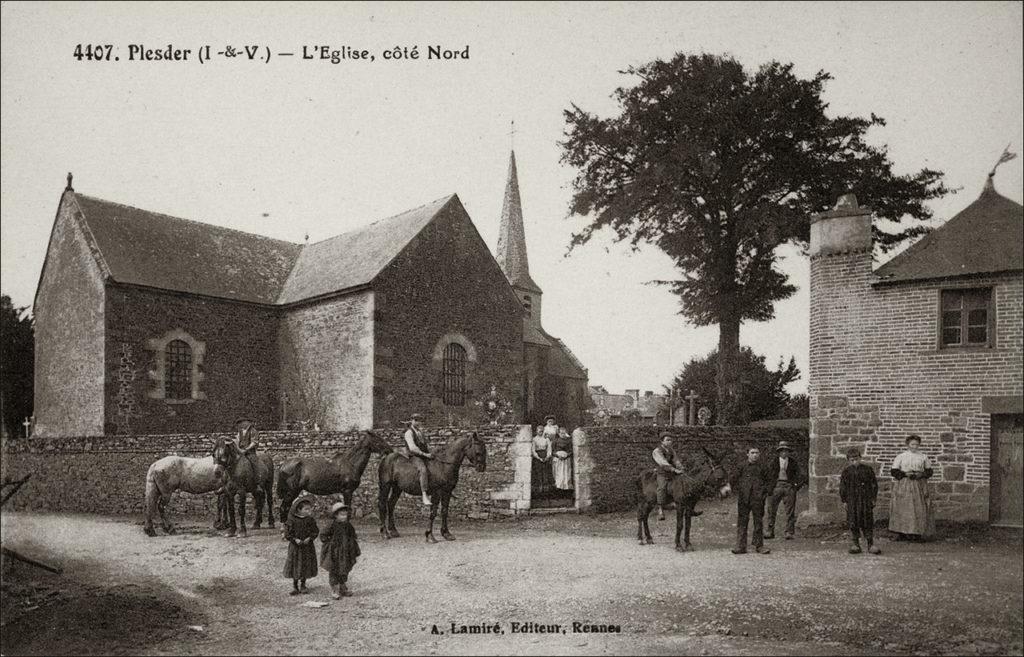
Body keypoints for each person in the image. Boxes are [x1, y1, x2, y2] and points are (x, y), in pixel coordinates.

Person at [888, 434, 935, 540]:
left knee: (918, 508)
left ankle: (916, 533)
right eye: (912, 444)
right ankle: (902, 533)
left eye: (917, 444)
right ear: (908, 445)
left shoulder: (923, 457)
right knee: (903, 507)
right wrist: (905, 474)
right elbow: (894, 471)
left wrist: (921, 474)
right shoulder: (901, 456)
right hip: (904, 485)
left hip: (918, 484)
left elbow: (929, 471)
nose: (915, 446)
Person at [731, 446, 773, 555]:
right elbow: (733, 479)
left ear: (759, 454)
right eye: (752, 452)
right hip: (744, 499)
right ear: (747, 454)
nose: (755, 455)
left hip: (758, 499)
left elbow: (770, 482)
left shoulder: (763, 467)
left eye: (757, 453)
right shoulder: (741, 466)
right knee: (742, 522)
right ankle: (741, 546)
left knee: (758, 522)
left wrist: (764, 492)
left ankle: (759, 546)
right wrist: (740, 490)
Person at [839, 446, 881, 555]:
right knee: (853, 521)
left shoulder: (867, 470)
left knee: (867, 521)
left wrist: (873, 498)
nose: (855, 462)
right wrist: (844, 501)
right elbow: (843, 487)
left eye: (856, 459)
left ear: (860, 458)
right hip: (852, 501)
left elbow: (874, 485)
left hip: (865, 500)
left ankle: (870, 544)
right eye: (852, 460)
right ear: (848, 461)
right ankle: (855, 544)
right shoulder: (846, 472)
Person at [764, 441, 805, 540]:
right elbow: (767, 475)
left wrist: (795, 486)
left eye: (786, 451)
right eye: (782, 451)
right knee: (771, 510)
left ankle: (789, 532)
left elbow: (800, 475)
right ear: (779, 452)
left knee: (790, 511)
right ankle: (770, 531)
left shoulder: (793, 462)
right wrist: (770, 488)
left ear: (788, 452)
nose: (784, 453)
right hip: (776, 486)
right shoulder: (773, 462)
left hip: (788, 486)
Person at [320, 502, 361, 599]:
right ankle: (334, 589)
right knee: (334, 569)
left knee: (345, 568)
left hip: (346, 551)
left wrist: (352, 543)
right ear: (335, 515)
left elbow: (353, 534)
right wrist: (330, 543)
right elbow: (323, 535)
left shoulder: (347, 525)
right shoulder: (332, 525)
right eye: (341, 515)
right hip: (335, 552)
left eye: (345, 515)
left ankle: (343, 587)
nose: (344, 517)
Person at [652, 434, 698, 521]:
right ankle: (660, 509)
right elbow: (663, 462)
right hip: (662, 473)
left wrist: (681, 467)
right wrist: (674, 470)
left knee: (684, 483)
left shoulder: (671, 450)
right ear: (662, 441)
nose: (670, 442)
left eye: (671, 440)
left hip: (672, 472)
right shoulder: (657, 451)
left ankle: (689, 508)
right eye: (668, 440)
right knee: (662, 487)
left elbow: (676, 460)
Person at [283, 496, 320, 595]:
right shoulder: (291, 520)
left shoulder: (310, 520)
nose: (309, 511)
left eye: (309, 509)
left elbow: (315, 531)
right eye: (306, 509)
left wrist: (310, 538)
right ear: (299, 509)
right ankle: (295, 586)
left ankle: (303, 585)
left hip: (307, 547)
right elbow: (287, 534)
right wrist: (295, 539)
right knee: (295, 564)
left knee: (305, 564)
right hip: (296, 547)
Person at [403, 413, 433, 506]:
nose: (418, 422)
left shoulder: (420, 432)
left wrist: (430, 454)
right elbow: (413, 448)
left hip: (423, 455)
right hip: (414, 456)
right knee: (423, 469)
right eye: (415, 420)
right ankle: (424, 495)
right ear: (411, 421)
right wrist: (425, 454)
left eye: (419, 420)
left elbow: (425, 445)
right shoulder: (409, 433)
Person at [547, 416, 574, 491]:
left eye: (564, 433)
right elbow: (552, 451)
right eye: (561, 433)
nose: (563, 434)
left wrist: (566, 456)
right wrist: (558, 456)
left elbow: (571, 450)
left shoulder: (568, 441)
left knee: (566, 473)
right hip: (558, 459)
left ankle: (566, 487)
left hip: (565, 460)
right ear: (558, 433)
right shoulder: (555, 441)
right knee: (558, 474)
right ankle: (558, 487)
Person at [531, 421, 554, 496]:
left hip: (545, 455)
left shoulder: (546, 439)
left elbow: (549, 449)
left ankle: (546, 489)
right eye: (539, 431)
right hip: (538, 456)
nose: (541, 432)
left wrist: (548, 456)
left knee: (546, 471)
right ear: (536, 431)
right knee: (538, 471)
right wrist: (538, 458)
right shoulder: (534, 439)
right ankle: (539, 488)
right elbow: (533, 450)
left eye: (542, 431)